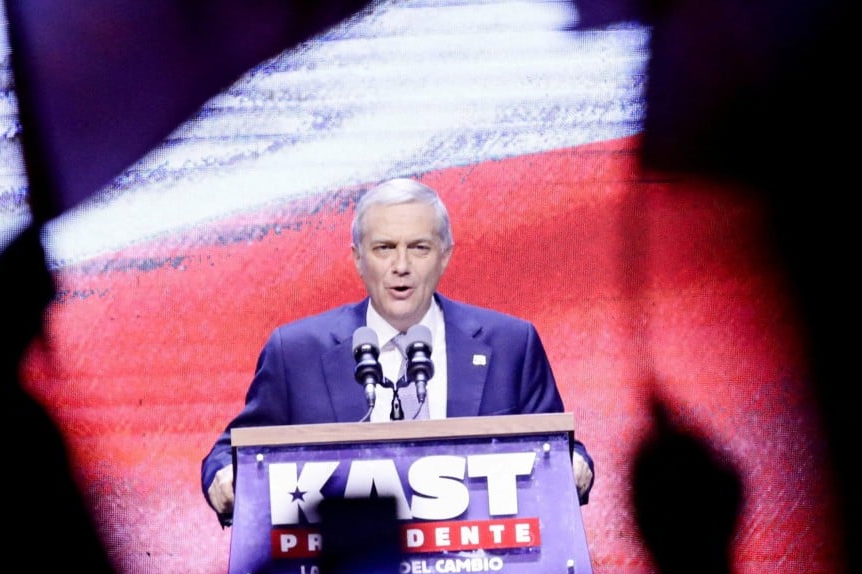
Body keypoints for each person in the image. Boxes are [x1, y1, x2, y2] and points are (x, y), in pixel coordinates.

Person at [201, 177, 594, 524]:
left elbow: (558, 449)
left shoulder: (510, 344)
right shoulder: (296, 352)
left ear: (445, 255)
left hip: (482, 569)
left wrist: (576, 465)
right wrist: (224, 476)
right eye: (384, 248)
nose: (400, 265)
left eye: (419, 247)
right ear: (358, 258)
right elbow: (233, 454)